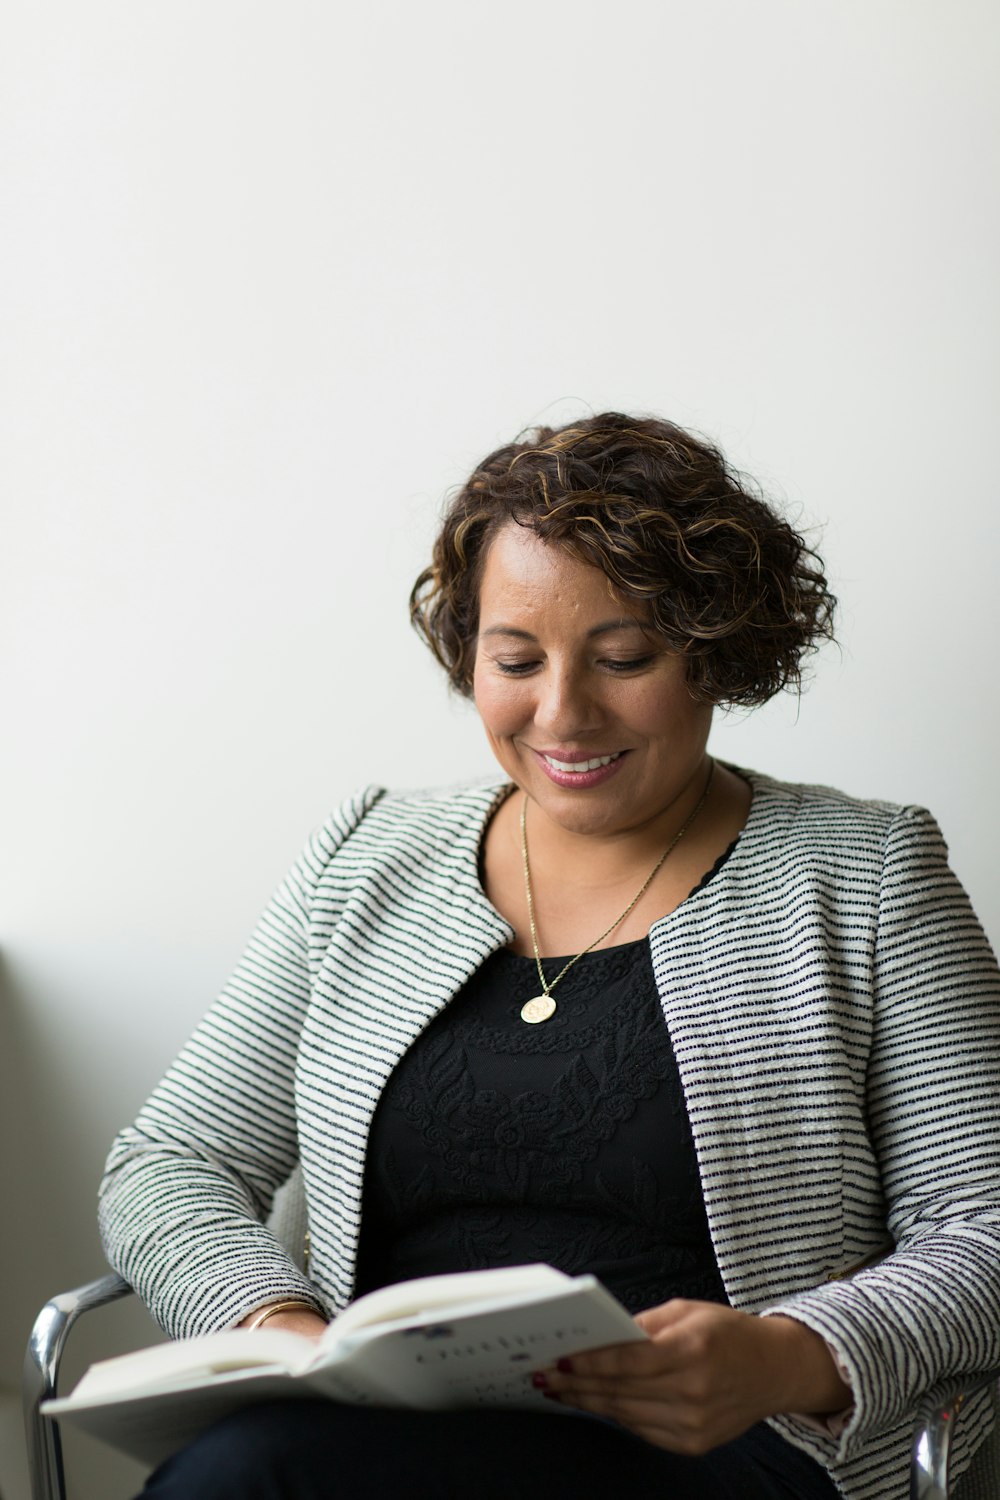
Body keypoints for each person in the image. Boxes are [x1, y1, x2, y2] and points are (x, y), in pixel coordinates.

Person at [99, 412, 1000, 1500]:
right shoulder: (367, 855)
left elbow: (983, 1227)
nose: (562, 715)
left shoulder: (863, 876)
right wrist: (279, 1329)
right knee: (238, 1477)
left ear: (714, 652)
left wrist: (791, 1356)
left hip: (717, 1449)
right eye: (514, 660)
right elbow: (170, 1163)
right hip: (376, 1439)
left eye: (623, 658)